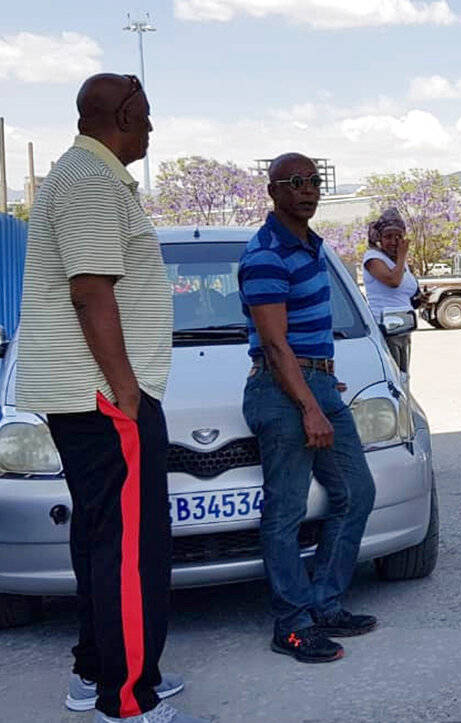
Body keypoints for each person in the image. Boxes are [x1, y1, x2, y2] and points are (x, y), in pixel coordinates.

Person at [16, 74, 205, 723]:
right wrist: (126, 390)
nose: (152, 128)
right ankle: (127, 700)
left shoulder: (81, 177)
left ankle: (100, 672)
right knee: (128, 546)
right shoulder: (91, 182)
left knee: (102, 537)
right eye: (146, 116)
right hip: (103, 395)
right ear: (122, 115)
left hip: (88, 393)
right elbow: (91, 290)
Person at [239, 153, 377, 664]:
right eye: (295, 182)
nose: (308, 190)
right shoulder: (266, 253)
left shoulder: (311, 247)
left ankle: (324, 602)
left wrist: (320, 378)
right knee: (286, 510)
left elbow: (304, 335)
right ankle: (292, 624)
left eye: (314, 181)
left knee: (356, 492)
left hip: (312, 383)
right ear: (273, 191)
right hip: (282, 393)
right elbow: (274, 346)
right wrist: (307, 403)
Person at [362, 207, 419, 373]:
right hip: (386, 328)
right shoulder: (373, 258)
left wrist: (419, 299)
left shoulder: (399, 263)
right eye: (388, 237)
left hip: (403, 329)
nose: (394, 241)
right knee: (392, 376)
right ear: (379, 238)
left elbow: (404, 292)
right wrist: (402, 256)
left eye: (398, 237)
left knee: (403, 377)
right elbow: (393, 281)